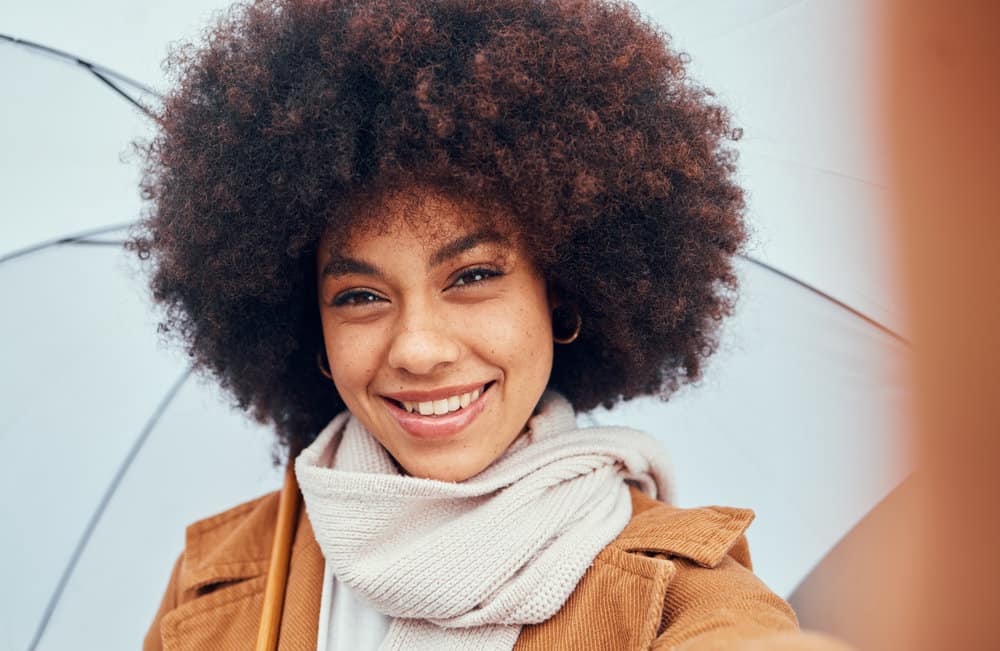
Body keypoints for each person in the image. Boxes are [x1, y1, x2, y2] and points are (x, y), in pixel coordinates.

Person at [133, 0, 850, 649]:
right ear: (306, 326)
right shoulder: (216, 586)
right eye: (359, 295)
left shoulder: (675, 598)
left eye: (472, 277)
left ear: (561, 289)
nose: (418, 348)